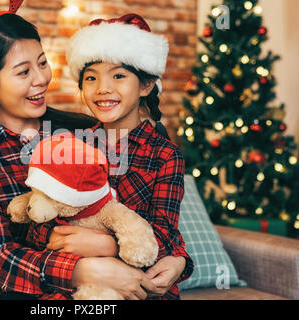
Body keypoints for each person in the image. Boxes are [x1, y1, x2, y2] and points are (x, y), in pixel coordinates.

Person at [0, 1, 158, 300]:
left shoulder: (83, 133)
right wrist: (87, 270)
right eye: (23, 72)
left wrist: (118, 248)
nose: (41, 79)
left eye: (42, 62)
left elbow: (132, 211)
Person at [47, 13, 194, 300]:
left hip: (142, 286)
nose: (103, 88)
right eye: (91, 78)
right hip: (81, 281)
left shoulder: (166, 155)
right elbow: (48, 220)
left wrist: (106, 244)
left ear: (145, 85)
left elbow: (163, 237)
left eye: (118, 75)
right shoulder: (72, 146)